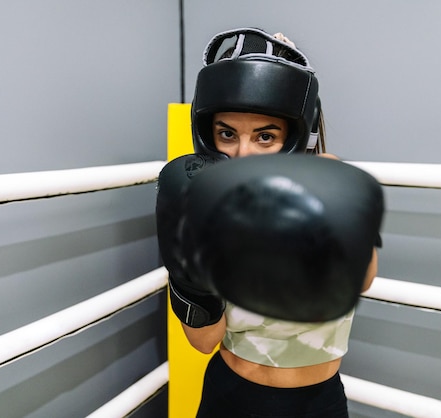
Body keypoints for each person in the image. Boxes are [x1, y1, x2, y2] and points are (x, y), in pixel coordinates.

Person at [157, 27, 383, 417]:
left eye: (265, 136)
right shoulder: (207, 207)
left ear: (296, 134)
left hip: (319, 402)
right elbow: (203, 341)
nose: (243, 154)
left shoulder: (330, 183)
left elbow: (361, 281)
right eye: (227, 134)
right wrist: (189, 264)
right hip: (232, 396)